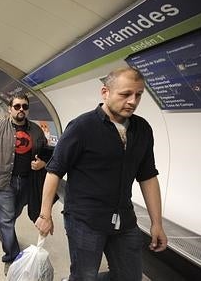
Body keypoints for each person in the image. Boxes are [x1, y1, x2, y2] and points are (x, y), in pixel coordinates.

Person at [35, 67, 168, 281]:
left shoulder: (142, 129)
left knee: (130, 277)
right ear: (105, 92)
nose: (133, 101)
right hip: (85, 221)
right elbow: (54, 170)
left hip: (124, 220)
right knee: (84, 275)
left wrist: (156, 223)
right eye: (125, 94)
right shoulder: (82, 127)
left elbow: (148, 176)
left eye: (139, 95)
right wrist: (45, 214)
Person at [0, 93, 50, 275]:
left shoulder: (36, 131)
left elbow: (46, 152)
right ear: (9, 109)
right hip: (2, 180)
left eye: (24, 106)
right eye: (17, 106)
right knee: (7, 220)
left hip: (26, 181)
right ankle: (12, 258)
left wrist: (42, 164)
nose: (21, 109)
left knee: (13, 213)